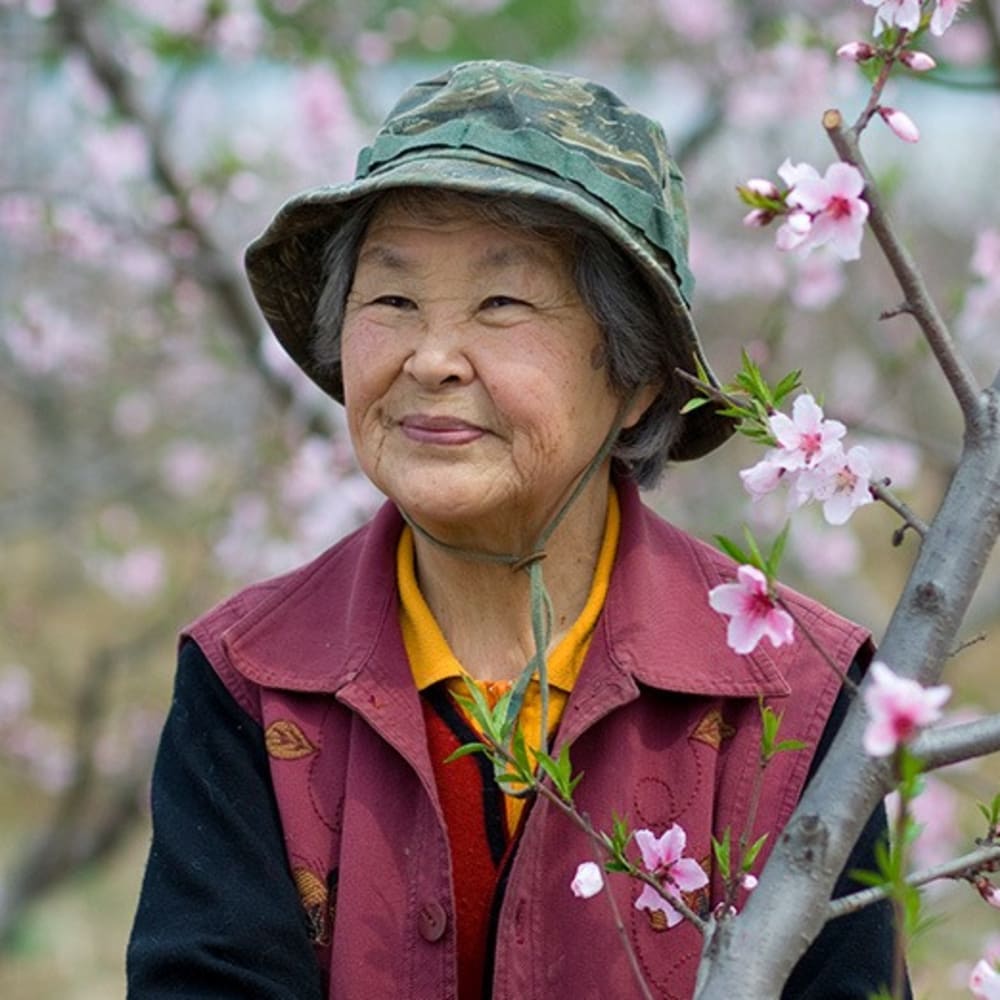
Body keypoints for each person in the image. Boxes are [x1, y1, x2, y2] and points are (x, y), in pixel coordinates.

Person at [127, 60, 906, 999]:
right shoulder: (249, 676)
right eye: (392, 300)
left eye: (502, 304)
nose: (432, 357)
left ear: (638, 377)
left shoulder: (799, 691)